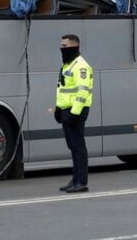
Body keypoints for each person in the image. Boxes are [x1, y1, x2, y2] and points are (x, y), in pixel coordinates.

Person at [54, 34, 93, 193]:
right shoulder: (68, 65)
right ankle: (75, 179)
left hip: (75, 111)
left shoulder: (80, 66)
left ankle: (81, 182)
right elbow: (62, 89)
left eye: (65, 46)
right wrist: (58, 108)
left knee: (78, 147)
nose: (62, 49)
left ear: (74, 47)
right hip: (66, 110)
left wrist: (74, 113)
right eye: (61, 46)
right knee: (73, 146)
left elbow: (83, 91)